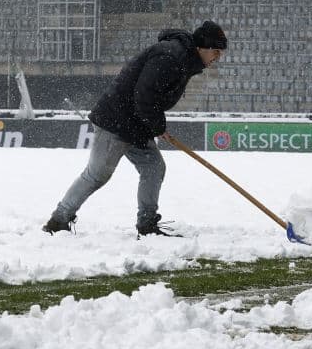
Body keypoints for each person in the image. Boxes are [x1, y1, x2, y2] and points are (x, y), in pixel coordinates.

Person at [43, 21, 228, 237]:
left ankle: (147, 224)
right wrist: (157, 125)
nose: (217, 57)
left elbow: (151, 98)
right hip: (116, 121)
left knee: (153, 167)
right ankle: (58, 220)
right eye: (216, 52)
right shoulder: (171, 56)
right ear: (203, 47)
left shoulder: (184, 59)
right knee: (97, 175)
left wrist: (155, 124)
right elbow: (145, 95)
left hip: (136, 124)